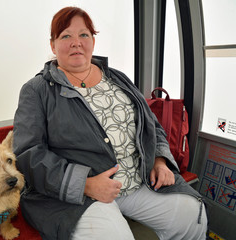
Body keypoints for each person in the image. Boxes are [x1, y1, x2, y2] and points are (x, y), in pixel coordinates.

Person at [13, 6, 207, 240]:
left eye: (84, 34)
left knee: (191, 214)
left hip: (139, 181)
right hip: (80, 196)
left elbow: (150, 125)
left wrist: (159, 160)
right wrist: (85, 184)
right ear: (53, 46)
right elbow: (29, 153)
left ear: (93, 41)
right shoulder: (37, 90)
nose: (76, 42)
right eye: (66, 36)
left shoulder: (118, 78)